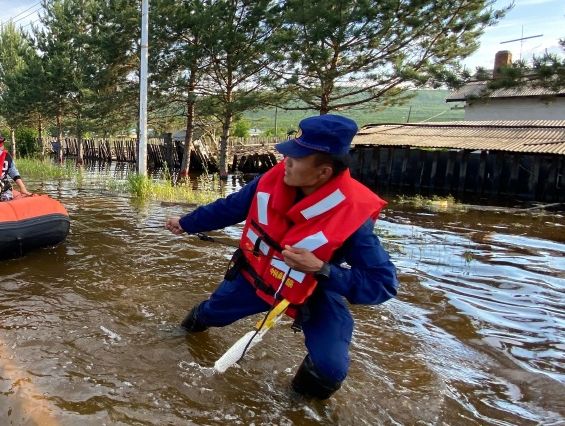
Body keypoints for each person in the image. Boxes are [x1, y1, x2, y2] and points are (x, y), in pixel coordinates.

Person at [165, 114, 397, 400]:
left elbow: (382, 284)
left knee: (330, 369)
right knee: (209, 313)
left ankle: (294, 408)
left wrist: (321, 268)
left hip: (312, 290)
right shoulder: (272, 179)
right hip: (255, 278)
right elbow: (229, 207)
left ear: (323, 172)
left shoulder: (354, 216)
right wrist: (186, 223)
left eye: (296, 158)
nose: (285, 161)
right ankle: (178, 335)